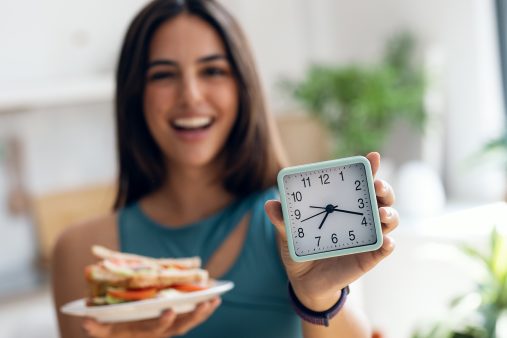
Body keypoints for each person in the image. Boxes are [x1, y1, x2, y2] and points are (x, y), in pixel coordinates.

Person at [51, 0, 399, 337]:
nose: (190, 95)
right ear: (134, 93)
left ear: (242, 88)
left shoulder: (294, 224)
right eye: (163, 75)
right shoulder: (79, 250)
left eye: (213, 70)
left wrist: (318, 297)